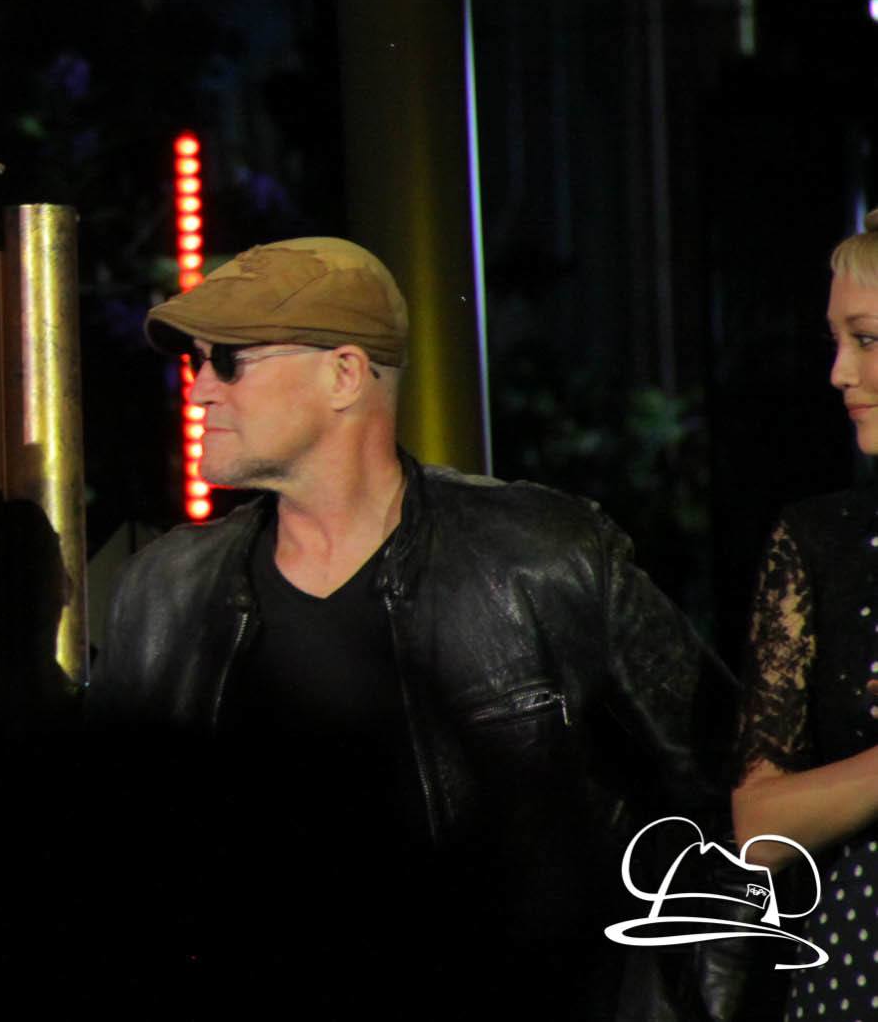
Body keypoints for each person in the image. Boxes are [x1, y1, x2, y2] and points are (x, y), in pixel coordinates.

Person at [92, 235, 736, 1017]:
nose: (198, 392)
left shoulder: (542, 560)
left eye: (229, 361)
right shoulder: (164, 594)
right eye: (197, 362)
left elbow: (727, 788)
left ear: (344, 373)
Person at [732, 212, 878, 1017]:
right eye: (837, 339)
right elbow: (759, 824)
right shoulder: (821, 541)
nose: (838, 371)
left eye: (866, 339)